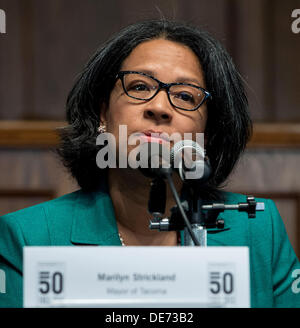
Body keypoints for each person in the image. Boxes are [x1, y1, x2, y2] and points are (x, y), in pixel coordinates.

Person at [0, 19, 299, 308]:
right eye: (140, 87)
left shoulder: (259, 230)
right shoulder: (28, 237)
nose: (159, 107)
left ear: (207, 134)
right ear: (103, 114)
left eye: (184, 95)